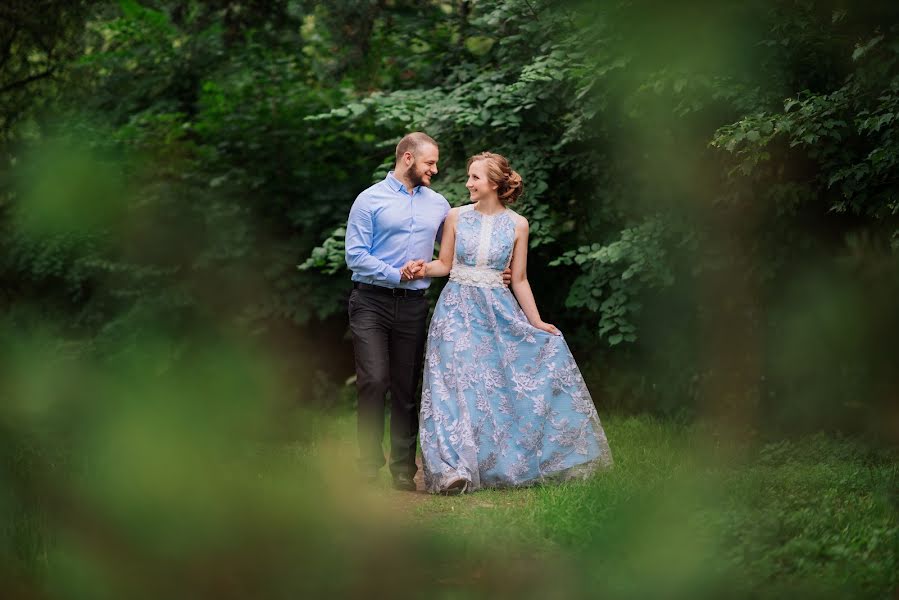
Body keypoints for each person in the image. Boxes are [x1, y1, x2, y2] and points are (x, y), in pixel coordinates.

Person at [410, 152, 613, 494]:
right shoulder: (456, 216)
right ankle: (451, 470)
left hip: (498, 312)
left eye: (474, 178)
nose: (467, 183)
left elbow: (519, 279)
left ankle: (502, 463)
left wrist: (537, 322)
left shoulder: (519, 224)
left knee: (496, 387)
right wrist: (421, 267)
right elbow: (444, 264)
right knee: (451, 386)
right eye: (469, 177)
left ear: (493, 183)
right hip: (455, 310)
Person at [344, 133, 510, 491]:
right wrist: (395, 273)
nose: (435, 169)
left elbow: (456, 251)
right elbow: (354, 255)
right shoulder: (369, 200)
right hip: (370, 301)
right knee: (374, 380)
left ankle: (404, 469)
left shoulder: (439, 205)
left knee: (407, 387)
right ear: (407, 159)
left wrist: (499, 271)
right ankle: (368, 464)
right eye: (430, 163)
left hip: (413, 306)